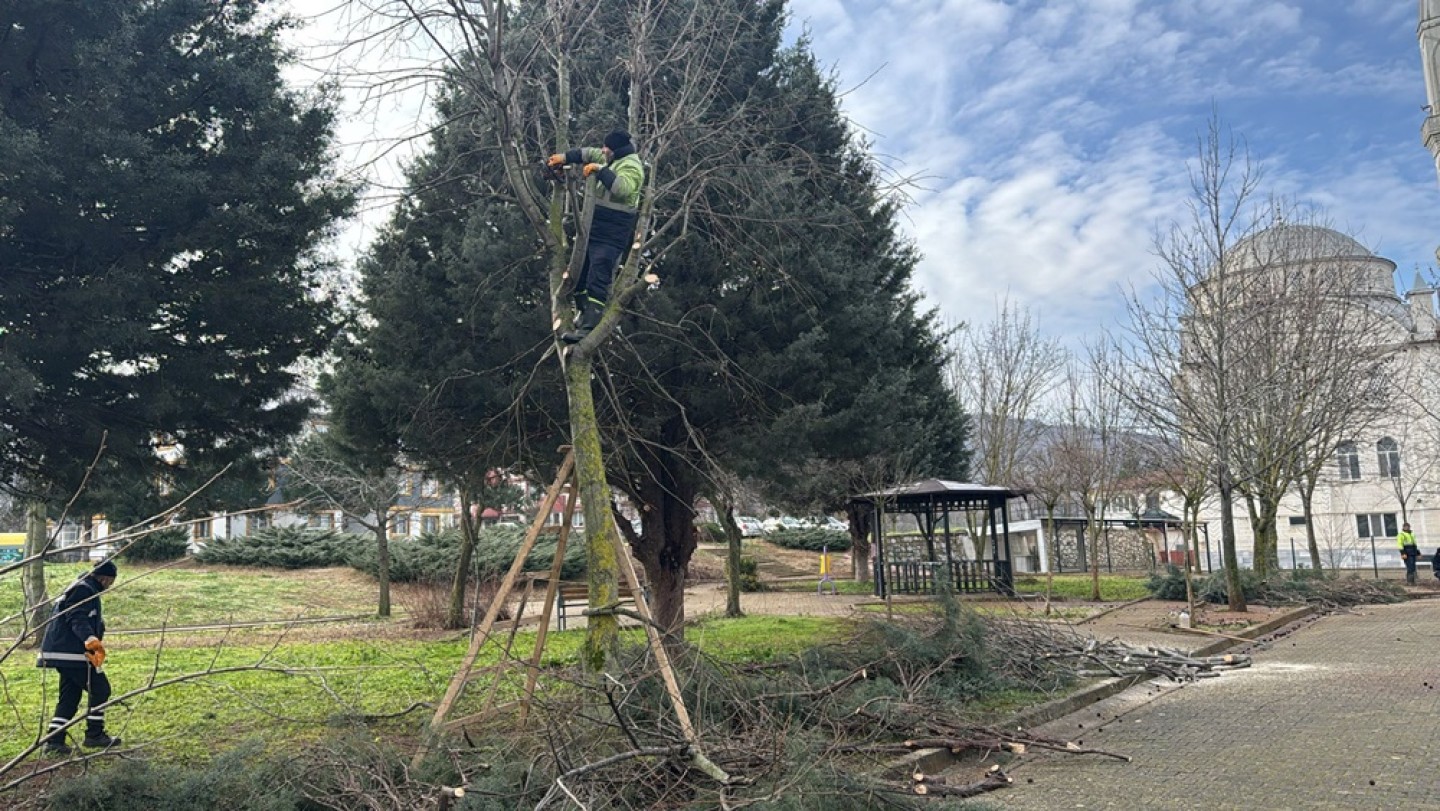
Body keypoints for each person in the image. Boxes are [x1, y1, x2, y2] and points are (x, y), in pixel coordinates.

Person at [547, 129, 646, 343]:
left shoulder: (631, 166)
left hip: (612, 233)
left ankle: (589, 328)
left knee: (598, 276)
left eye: (606, 147)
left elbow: (622, 189)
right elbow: (588, 153)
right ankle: (583, 315)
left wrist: (600, 171)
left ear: (616, 150)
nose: (603, 150)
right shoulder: (611, 156)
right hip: (593, 228)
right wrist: (564, 158)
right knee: (579, 276)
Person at [36, 559, 121, 754]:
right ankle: (94, 735)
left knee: (69, 697)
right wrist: (91, 641)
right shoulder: (84, 589)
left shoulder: (81, 586)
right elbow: (77, 617)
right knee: (101, 690)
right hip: (71, 653)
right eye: (111, 582)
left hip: (63, 652)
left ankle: (54, 740)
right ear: (106, 579)